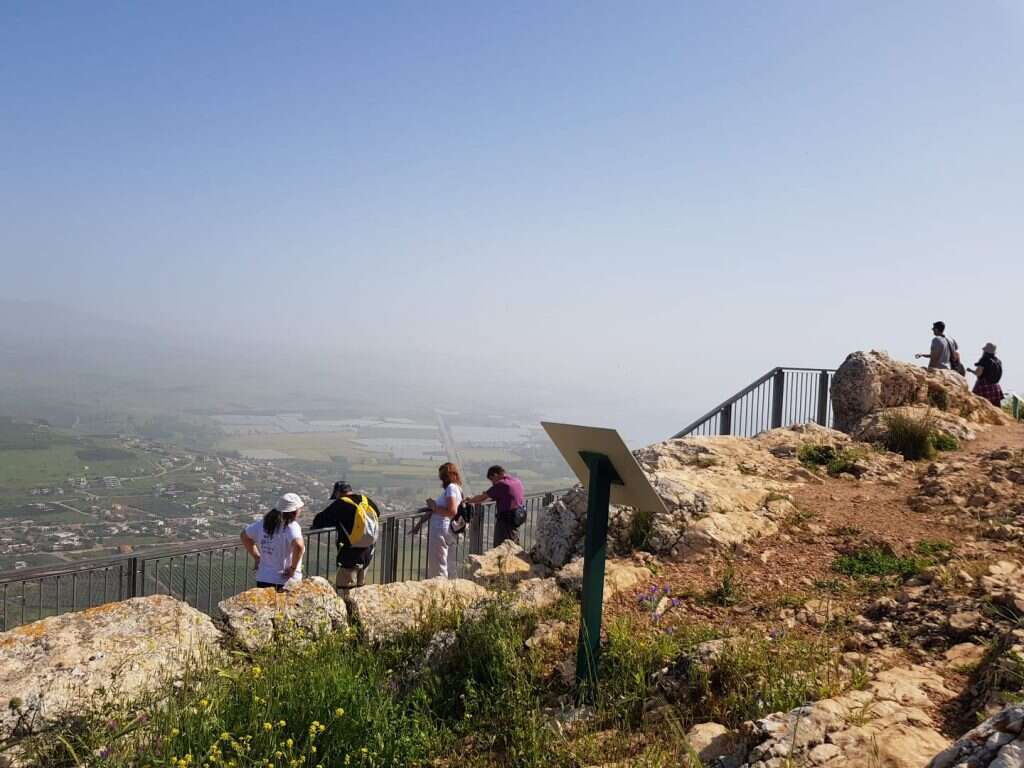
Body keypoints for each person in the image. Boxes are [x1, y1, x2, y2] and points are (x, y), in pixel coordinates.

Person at [311, 481, 379, 593]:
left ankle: (349, 610)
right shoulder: (365, 500)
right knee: (361, 589)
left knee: (346, 590)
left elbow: (319, 520)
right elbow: (378, 513)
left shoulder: (341, 504)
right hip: (367, 551)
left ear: (338, 493)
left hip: (349, 553)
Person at [240, 492, 306, 590]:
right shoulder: (291, 526)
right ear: (294, 511)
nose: (301, 511)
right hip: (286, 580)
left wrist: (257, 557)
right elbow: (299, 546)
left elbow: (244, 536)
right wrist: (292, 568)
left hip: (264, 578)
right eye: (300, 509)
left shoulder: (262, 524)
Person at [418, 462, 463, 579]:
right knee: (448, 563)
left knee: (438, 563)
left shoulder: (451, 488)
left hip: (441, 528)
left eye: (443, 476)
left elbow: (452, 511)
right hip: (447, 528)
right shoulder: (457, 488)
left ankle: (439, 590)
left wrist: (434, 506)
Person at [465, 465, 526, 548]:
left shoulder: (501, 484)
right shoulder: (516, 481)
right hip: (517, 517)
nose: (493, 483)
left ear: (495, 475)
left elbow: (481, 498)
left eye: (491, 480)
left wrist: (469, 500)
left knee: (501, 546)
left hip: (505, 521)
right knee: (514, 542)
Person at [972, 342, 1004, 406]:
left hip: (983, 386)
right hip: (995, 387)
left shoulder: (984, 359)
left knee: (975, 404)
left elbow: (978, 373)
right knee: (996, 408)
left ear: (986, 351)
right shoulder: (998, 361)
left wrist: (971, 371)